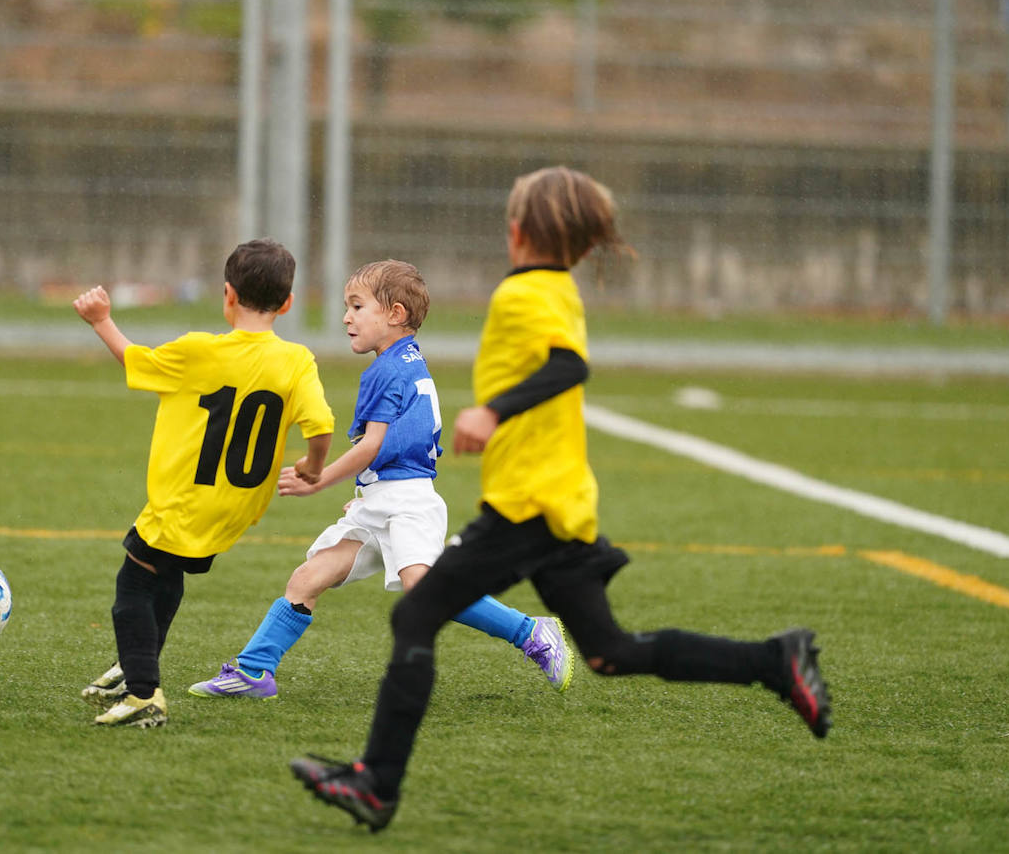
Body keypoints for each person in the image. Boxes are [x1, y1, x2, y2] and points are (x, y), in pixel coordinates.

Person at [289, 167, 832, 830]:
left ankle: (376, 784)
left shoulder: (526, 293)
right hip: (559, 502)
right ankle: (777, 662)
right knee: (608, 650)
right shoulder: (555, 289)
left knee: (415, 616)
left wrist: (492, 411)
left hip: (529, 506)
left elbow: (569, 365)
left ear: (519, 231)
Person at [186, 259, 573, 701]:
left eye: (357, 306)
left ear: (395, 314)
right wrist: (370, 491)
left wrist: (318, 479)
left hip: (407, 503)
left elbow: (371, 445)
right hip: (385, 500)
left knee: (423, 587)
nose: (346, 317)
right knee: (309, 578)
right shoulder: (406, 361)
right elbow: (393, 446)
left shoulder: (386, 370)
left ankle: (532, 633)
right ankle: (255, 671)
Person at [74, 238, 335, 728]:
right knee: (165, 575)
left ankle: (143, 694)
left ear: (228, 295)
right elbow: (320, 427)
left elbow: (135, 360)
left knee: (132, 584)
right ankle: (134, 662)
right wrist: (313, 469)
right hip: (234, 510)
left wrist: (100, 320)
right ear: (288, 303)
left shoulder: (198, 350)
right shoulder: (297, 360)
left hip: (182, 501)